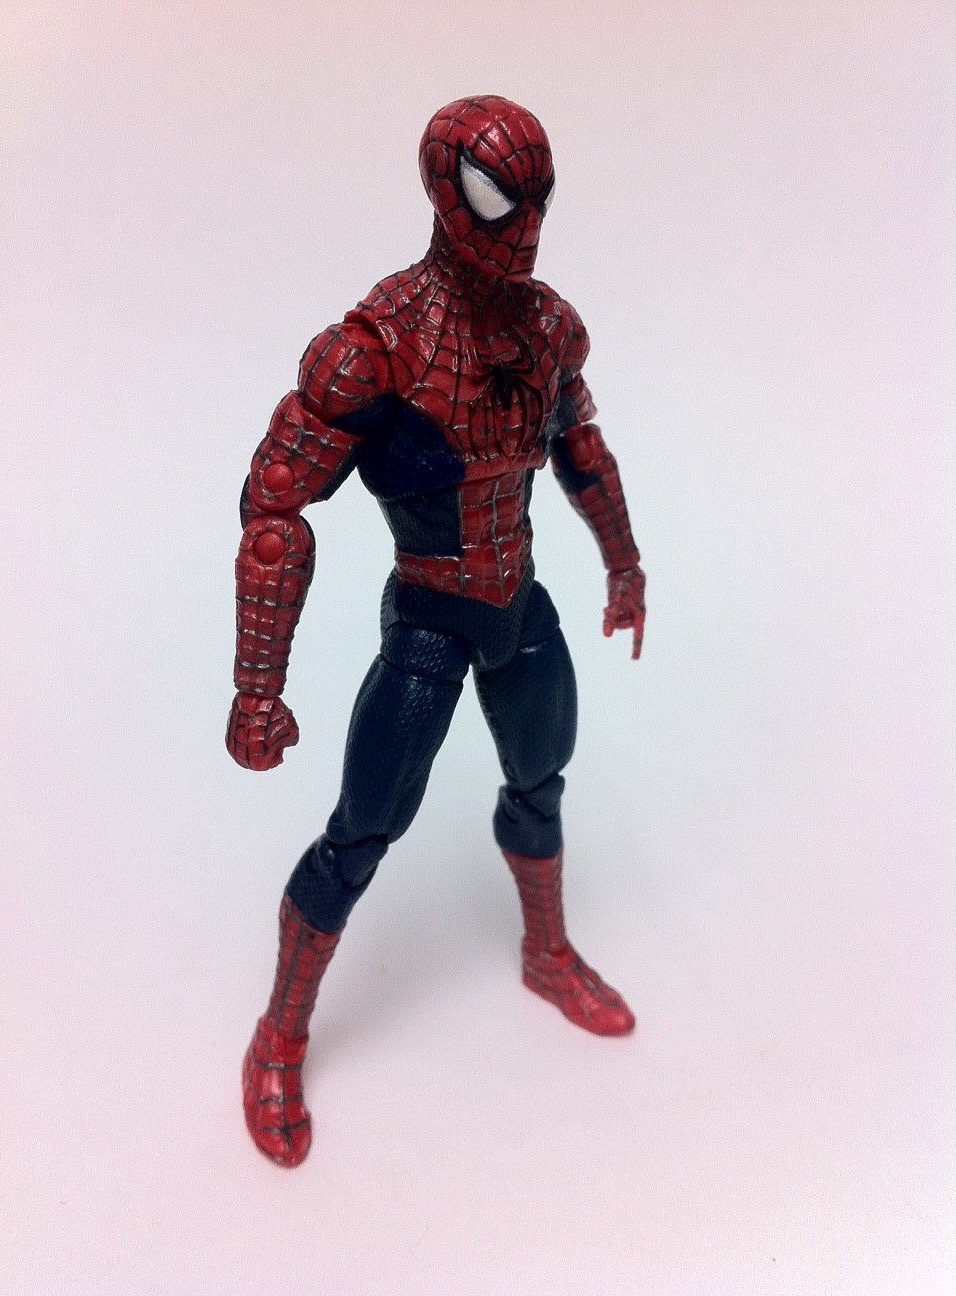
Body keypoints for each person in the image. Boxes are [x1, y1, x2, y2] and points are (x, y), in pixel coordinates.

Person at [227, 96, 647, 1166]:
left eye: (537, 201)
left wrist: (624, 561)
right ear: (443, 191)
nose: (522, 229)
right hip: (427, 619)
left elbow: (581, 450)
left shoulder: (548, 329)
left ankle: (544, 953)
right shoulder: (377, 348)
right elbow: (274, 513)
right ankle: (280, 1035)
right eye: (500, 201)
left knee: (540, 780)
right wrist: (258, 687)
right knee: (360, 832)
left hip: (520, 608)